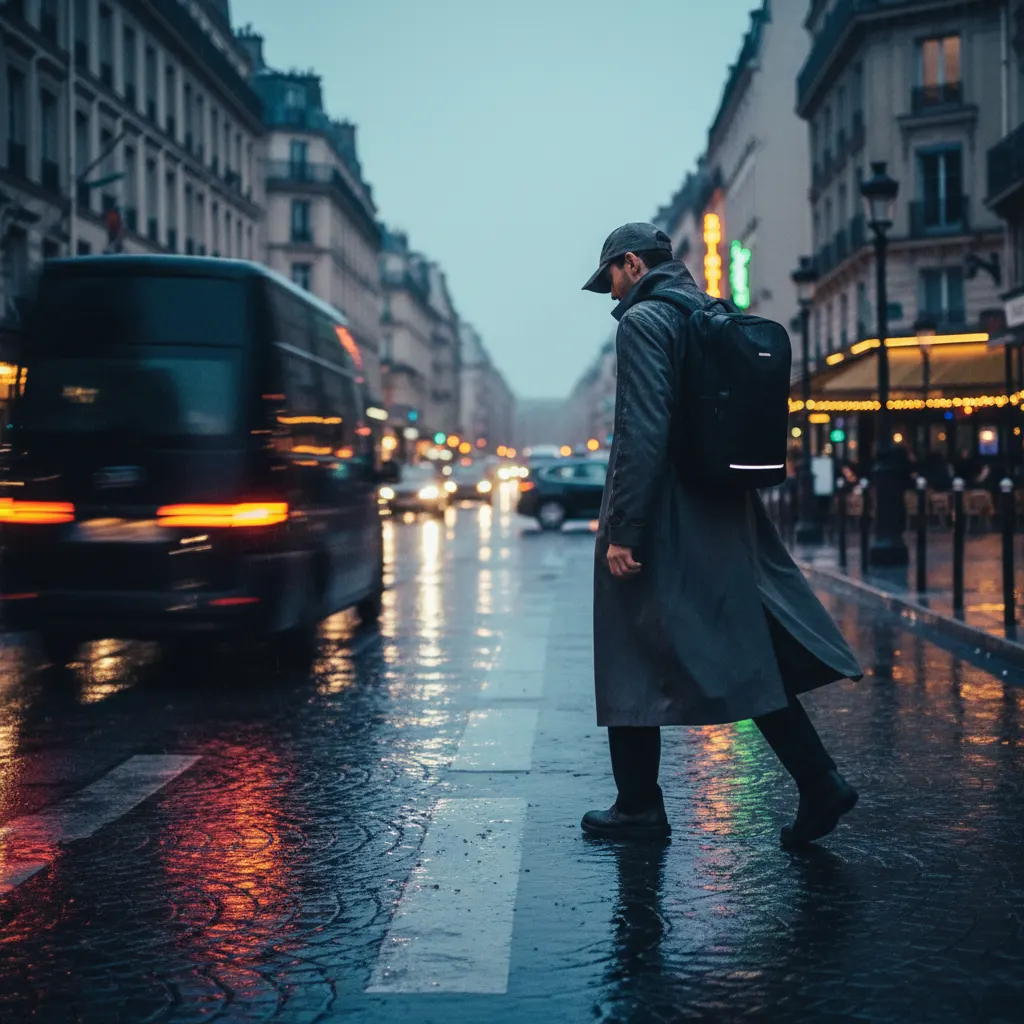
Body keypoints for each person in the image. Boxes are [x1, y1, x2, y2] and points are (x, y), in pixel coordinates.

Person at [579, 223, 863, 847]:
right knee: (745, 649)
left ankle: (638, 807)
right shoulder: (712, 310)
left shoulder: (645, 321)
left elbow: (643, 431)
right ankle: (819, 782)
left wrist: (624, 529)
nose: (610, 294)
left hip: (666, 510)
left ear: (632, 263)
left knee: (628, 647)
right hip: (725, 505)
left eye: (611, 278)